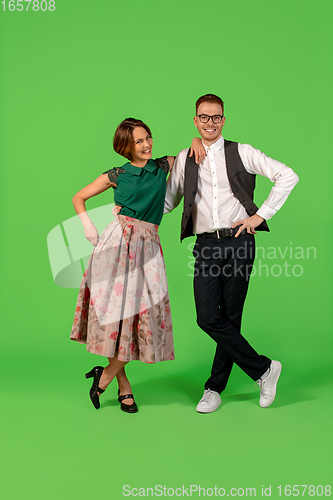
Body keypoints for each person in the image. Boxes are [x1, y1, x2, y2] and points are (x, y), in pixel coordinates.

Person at [164, 94, 299, 413]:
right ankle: (264, 369)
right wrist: (132, 202)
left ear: (223, 120)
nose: (210, 122)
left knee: (231, 317)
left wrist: (260, 215)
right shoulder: (187, 157)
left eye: (216, 117)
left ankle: (213, 388)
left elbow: (287, 176)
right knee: (208, 317)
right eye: (204, 117)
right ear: (195, 120)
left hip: (239, 240)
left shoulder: (243, 152)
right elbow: (168, 202)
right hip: (206, 245)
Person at [70, 118, 204, 413]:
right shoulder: (116, 174)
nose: (146, 145)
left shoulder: (161, 167)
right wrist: (86, 225)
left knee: (140, 318)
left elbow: (189, 153)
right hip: (115, 244)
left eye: (148, 138)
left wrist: (195, 141)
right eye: (138, 141)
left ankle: (102, 377)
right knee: (115, 318)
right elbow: (78, 197)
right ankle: (124, 387)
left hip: (148, 246)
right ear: (125, 146)